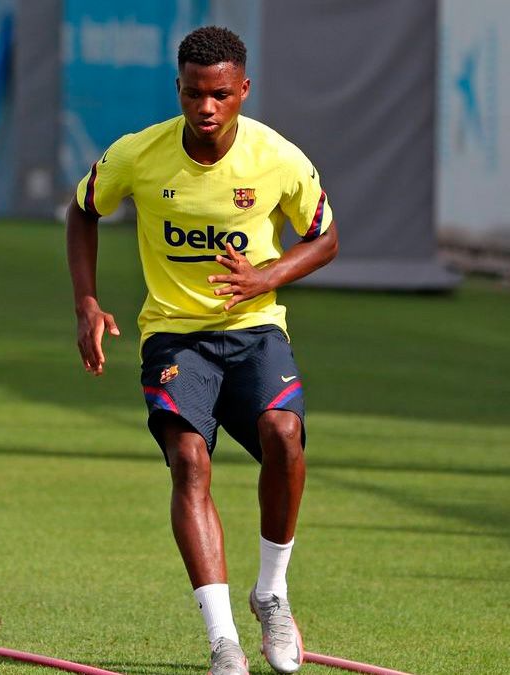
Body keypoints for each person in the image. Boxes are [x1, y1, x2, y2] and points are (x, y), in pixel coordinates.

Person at [66, 26, 338, 675]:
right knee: (189, 459)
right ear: (178, 90)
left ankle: (271, 590)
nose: (206, 108)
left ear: (244, 90)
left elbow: (324, 237)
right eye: (193, 94)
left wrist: (265, 276)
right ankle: (224, 643)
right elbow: (82, 210)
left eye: (219, 94)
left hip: (255, 328)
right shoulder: (139, 154)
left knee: (285, 433)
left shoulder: (277, 158)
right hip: (173, 334)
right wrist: (85, 301)